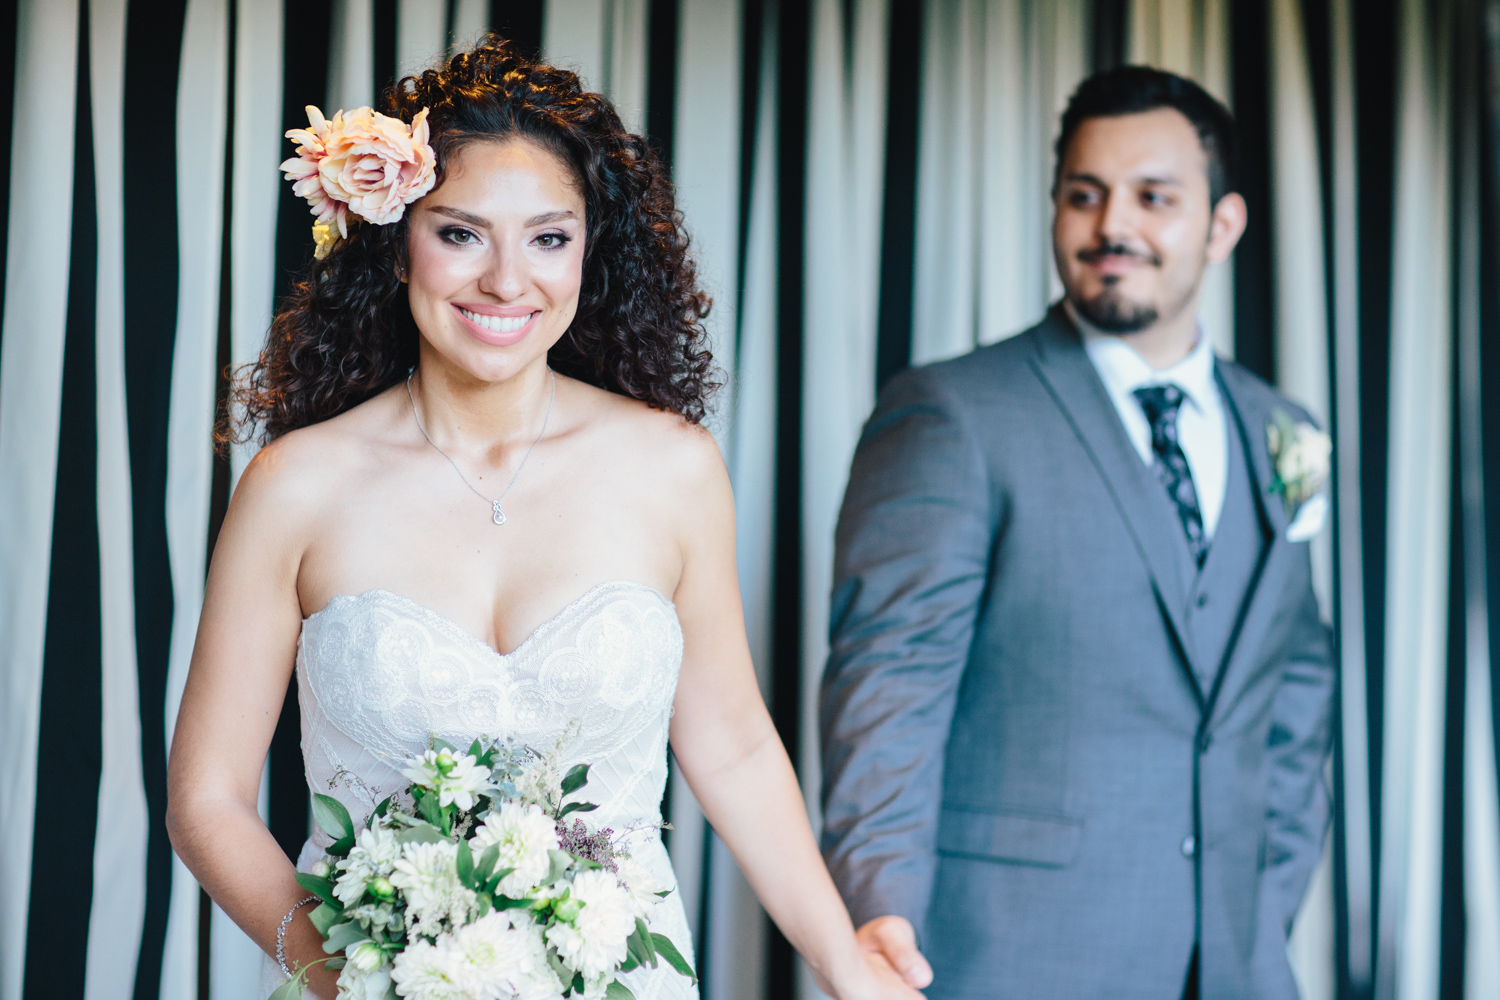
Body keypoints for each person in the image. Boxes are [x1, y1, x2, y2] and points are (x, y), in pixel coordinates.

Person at [166, 39, 920, 1000]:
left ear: (589, 255)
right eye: (461, 233)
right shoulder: (294, 485)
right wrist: (357, 977)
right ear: (397, 241)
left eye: (548, 238)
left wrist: (846, 964)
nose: (506, 282)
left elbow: (731, 745)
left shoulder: (673, 470)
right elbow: (208, 799)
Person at [821, 66, 1335, 1000]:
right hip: (1010, 957)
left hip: (1238, 966)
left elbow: (1297, 686)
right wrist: (876, 911)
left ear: (1223, 224)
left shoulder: (1284, 430)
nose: (1113, 229)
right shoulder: (950, 413)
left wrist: (1266, 900)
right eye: (1083, 196)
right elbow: (890, 684)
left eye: (1154, 198)